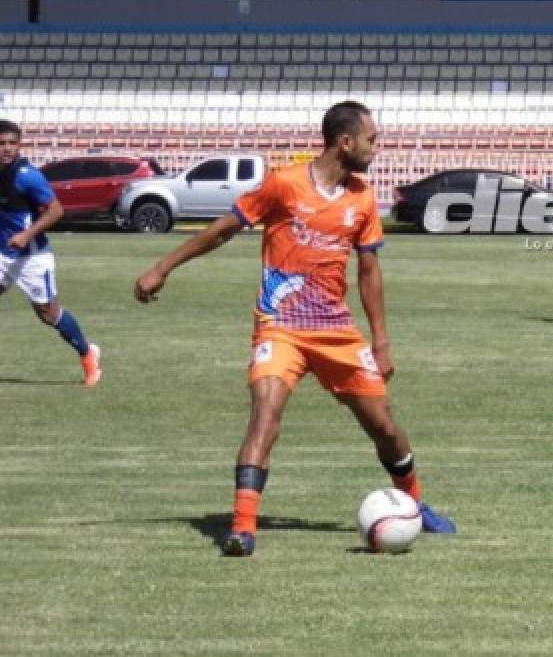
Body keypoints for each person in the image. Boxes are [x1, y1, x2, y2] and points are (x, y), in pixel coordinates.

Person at [134, 102, 455, 557]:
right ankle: (243, 527)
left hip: (336, 331)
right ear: (345, 142)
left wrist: (381, 340)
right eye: (372, 139)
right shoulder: (283, 184)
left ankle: (416, 505)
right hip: (279, 326)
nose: (376, 148)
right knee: (265, 411)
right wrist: (163, 267)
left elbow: (369, 272)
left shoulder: (362, 197)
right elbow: (225, 229)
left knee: (383, 425)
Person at [0, 120, 101, 387]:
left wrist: (25, 235)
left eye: (12, 143)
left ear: (19, 145)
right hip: (2, 255)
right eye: (1, 143)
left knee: (47, 313)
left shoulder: (27, 176)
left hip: (31, 256)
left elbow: (56, 211)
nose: (6, 148)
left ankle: (87, 354)